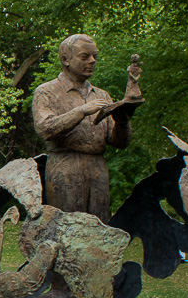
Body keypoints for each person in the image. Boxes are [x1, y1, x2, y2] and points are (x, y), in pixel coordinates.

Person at [32, 34, 138, 222]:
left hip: (98, 169)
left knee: (100, 227)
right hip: (65, 168)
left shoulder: (102, 95)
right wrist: (80, 111)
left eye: (95, 56)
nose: (92, 61)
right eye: (85, 56)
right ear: (65, 59)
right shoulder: (47, 91)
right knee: (66, 227)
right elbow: (45, 129)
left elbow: (119, 142)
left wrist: (122, 121)